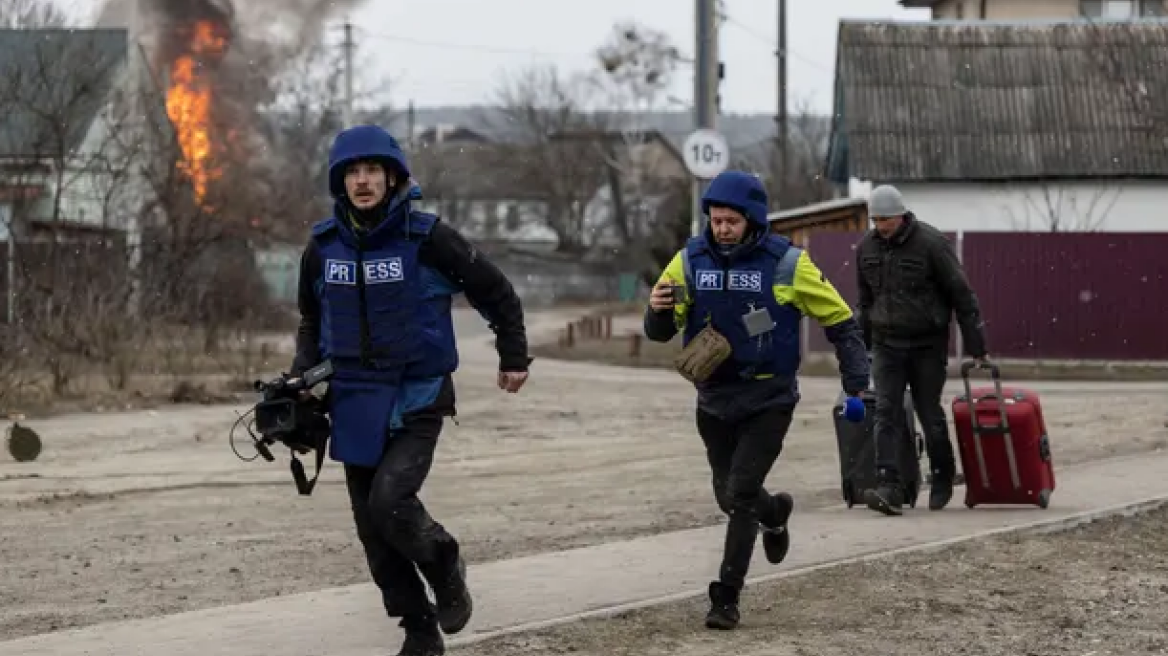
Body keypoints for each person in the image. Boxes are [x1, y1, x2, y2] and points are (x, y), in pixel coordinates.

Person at [289, 124, 532, 656]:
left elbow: (495, 291)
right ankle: (419, 630)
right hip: (352, 402)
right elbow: (312, 321)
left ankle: (445, 562)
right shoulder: (321, 248)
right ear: (340, 182)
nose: (362, 180)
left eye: (372, 170)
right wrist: (300, 379)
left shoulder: (428, 239)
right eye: (352, 172)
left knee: (392, 501)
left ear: (393, 176)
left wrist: (513, 353)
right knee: (374, 534)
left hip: (417, 397)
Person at [644, 170, 869, 631]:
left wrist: (855, 382)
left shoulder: (787, 263)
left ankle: (726, 596)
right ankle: (776, 513)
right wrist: (657, 309)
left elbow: (842, 322)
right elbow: (660, 330)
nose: (722, 228)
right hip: (713, 398)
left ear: (753, 219)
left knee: (741, 492)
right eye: (716, 220)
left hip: (769, 398)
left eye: (731, 221)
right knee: (730, 497)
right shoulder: (689, 260)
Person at [855, 184, 988, 517]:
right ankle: (890, 484)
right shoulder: (866, 249)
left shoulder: (931, 244)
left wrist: (977, 347)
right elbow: (865, 303)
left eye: (886, 219)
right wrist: (859, 349)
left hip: (927, 344)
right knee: (886, 411)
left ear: (901, 215)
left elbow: (962, 295)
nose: (881, 226)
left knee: (929, 412)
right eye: (876, 220)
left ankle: (942, 474)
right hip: (886, 344)